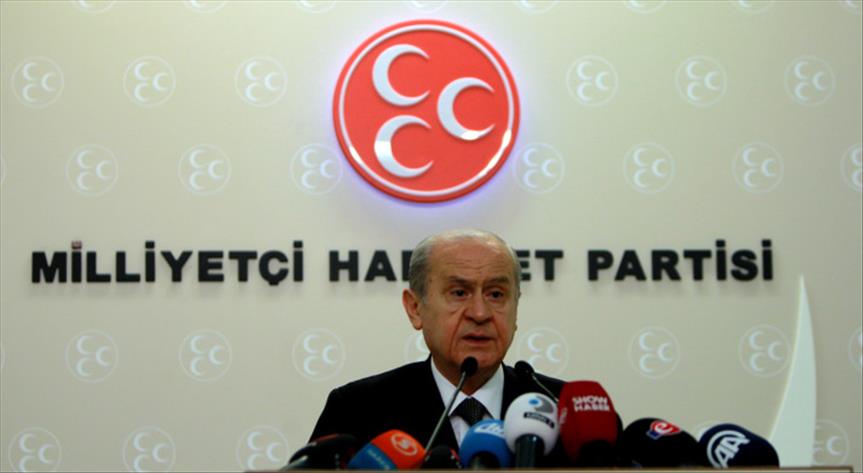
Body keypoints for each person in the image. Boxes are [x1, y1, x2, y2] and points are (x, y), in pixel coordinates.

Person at [309, 229, 565, 461]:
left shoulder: (562, 410)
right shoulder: (357, 409)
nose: (480, 313)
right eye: (459, 293)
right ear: (415, 308)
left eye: (496, 294)